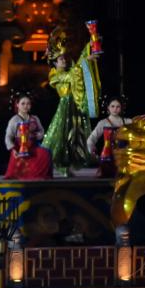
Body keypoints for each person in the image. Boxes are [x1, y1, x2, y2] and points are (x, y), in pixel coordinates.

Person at [44, 25, 101, 176]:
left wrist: (90, 46)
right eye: (60, 59)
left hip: (75, 106)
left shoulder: (71, 70)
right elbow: (72, 75)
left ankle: (70, 164)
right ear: (54, 62)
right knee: (61, 136)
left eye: (64, 58)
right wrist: (85, 61)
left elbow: (77, 69)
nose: (63, 60)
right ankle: (57, 164)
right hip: (65, 108)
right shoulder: (54, 76)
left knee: (75, 137)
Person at [4, 93, 53, 180]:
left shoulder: (35, 118)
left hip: (33, 146)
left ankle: (38, 175)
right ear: (17, 105)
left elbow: (41, 131)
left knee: (45, 153)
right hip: (20, 148)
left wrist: (37, 135)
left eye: (28, 104)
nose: (25, 106)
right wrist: (13, 149)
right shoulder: (14, 120)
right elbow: (8, 137)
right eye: (23, 103)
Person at [87, 96, 132, 178]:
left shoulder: (128, 122)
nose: (115, 109)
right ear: (108, 108)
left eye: (118, 106)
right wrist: (91, 150)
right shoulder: (103, 123)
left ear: (121, 108)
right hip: (107, 157)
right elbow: (92, 138)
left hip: (123, 156)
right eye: (112, 106)